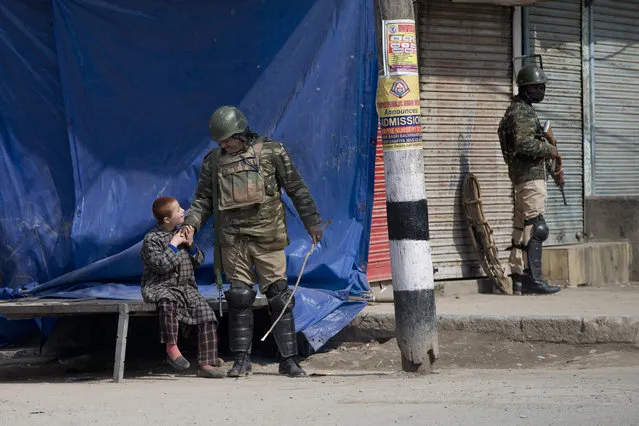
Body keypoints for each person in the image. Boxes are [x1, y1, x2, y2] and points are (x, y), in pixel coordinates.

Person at [181, 106, 324, 378]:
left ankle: (289, 361)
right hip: (233, 239)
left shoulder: (272, 152)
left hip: (267, 235)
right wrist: (191, 223)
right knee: (239, 297)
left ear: (242, 133)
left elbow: (296, 188)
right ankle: (241, 361)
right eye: (220, 141)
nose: (224, 144)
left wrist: (311, 221)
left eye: (228, 139)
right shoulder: (213, 161)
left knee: (279, 296)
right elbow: (202, 200)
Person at [140, 196, 226, 378]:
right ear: (166, 219)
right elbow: (160, 265)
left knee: (207, 315)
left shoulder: (182, 233)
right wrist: (173, 245)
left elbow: (200, 260)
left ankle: (206, 363)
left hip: (186, 288)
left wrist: (191, 244)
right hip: (160, 286)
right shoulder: (152, 239)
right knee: (167, 302)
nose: (183, 211)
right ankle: (172, 348)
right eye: (178, 209)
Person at [498, 64, 563, 295]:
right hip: (530, 178)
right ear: (524, 88)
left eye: (542, 85)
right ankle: (533, 279)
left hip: (523, 177)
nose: (540, 90)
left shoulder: (517, 109)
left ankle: (518, 277)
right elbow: (523, 143)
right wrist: (550, 150)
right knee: (537, 227)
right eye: (536, 86)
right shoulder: (522, 111)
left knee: (522, 226)